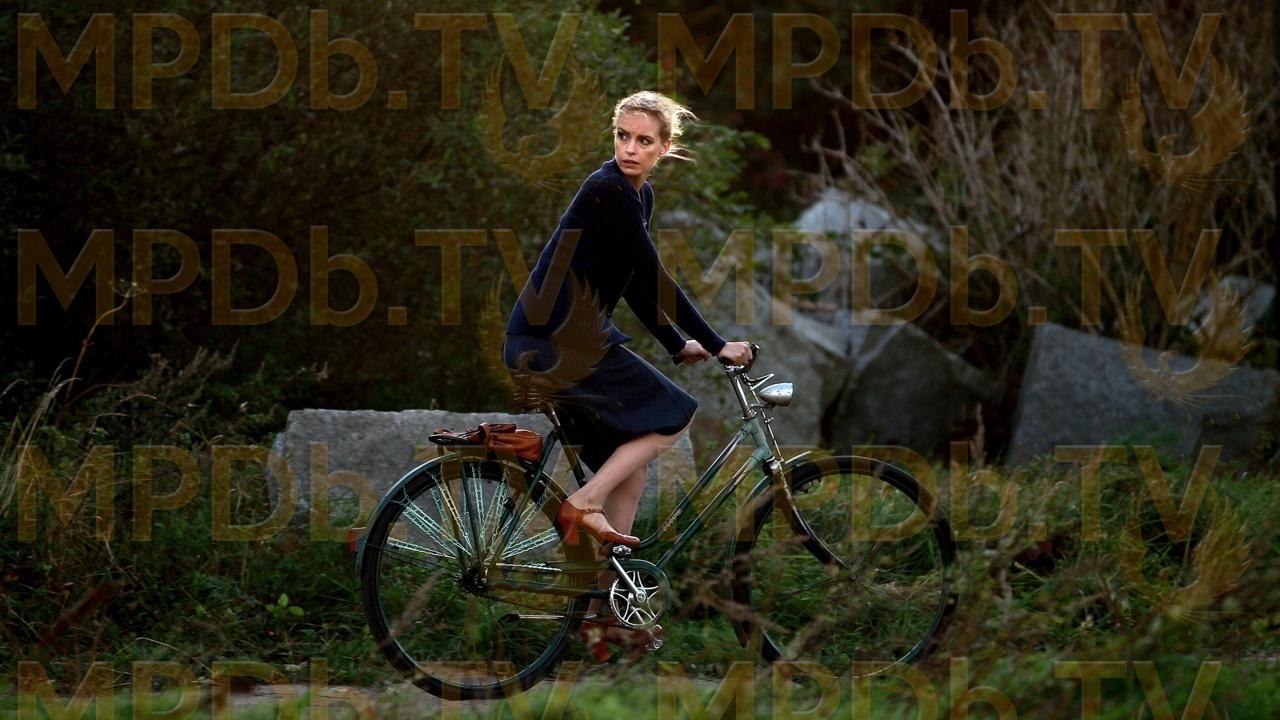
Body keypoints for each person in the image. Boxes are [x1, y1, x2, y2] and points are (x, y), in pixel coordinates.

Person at [502, 90, 752, 657]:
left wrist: (677, 344)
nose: (630, 148)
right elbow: (658, 277)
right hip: (559, 342)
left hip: (555, 341)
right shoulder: (606, 188)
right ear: (613, 136)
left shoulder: (637, 196)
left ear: (664, 148)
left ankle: (600, 615)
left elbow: (636, 282)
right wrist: (719, 345)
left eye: (643, 140)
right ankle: (584, 502)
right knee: (675, 417)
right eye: (622, 136)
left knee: (631, 473)